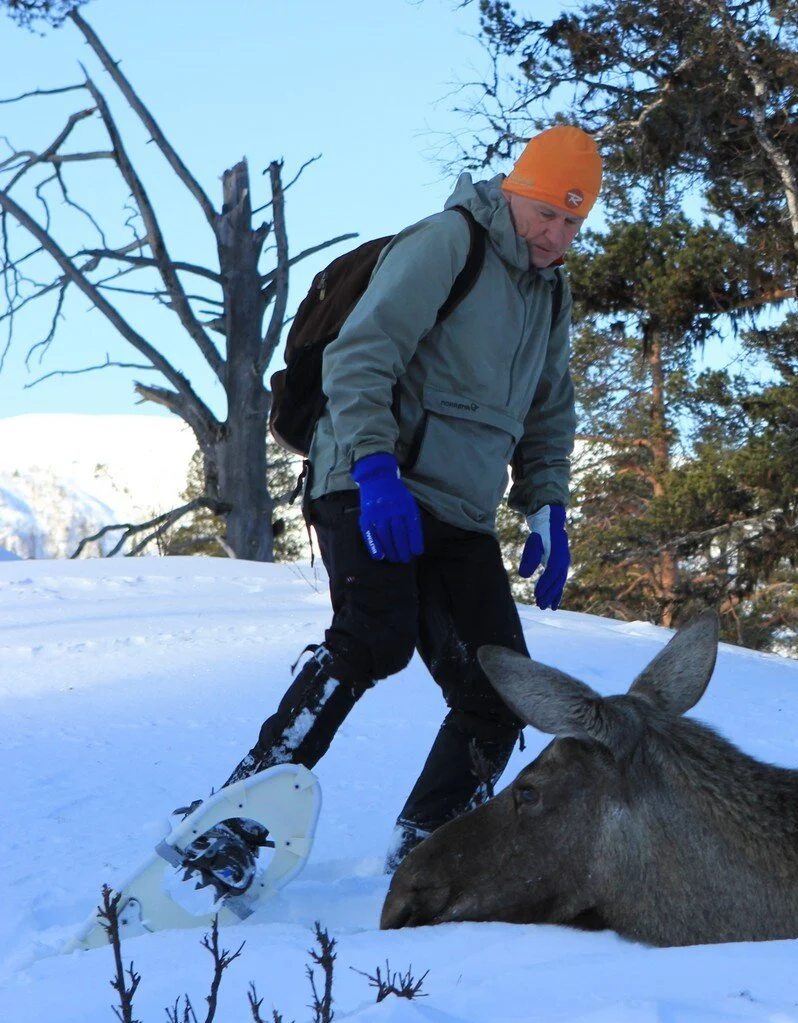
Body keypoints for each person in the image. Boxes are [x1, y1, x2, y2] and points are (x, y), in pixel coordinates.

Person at [179, 127, 602, 893]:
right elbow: (360, 355)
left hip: (459, 510)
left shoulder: (550, 292)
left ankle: (430, 848)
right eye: (547, 212)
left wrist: (548, 505)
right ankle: (231, 824)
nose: (556, 235)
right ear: (517, 191)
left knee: (501, 687)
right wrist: (374, 468)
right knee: (373, 637)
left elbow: (550, 411)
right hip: (370, 479)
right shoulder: (450, 243)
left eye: (573, 221)